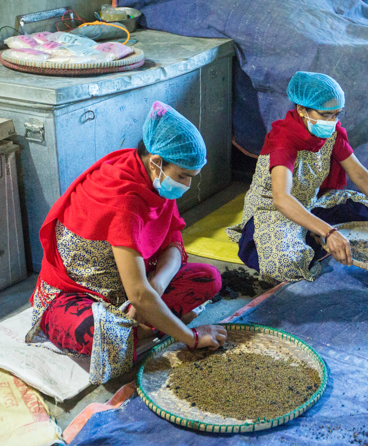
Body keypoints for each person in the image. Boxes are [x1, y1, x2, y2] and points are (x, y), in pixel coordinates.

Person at [27, 101, 227, 384]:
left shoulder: (147, 175)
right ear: (156, 160)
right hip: (80, 292)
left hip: (134, 282)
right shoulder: (125, 201)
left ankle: (144, 326)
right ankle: (147, 328)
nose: (186, 186)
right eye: (183, 176)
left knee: (209, 278)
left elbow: (172, 240)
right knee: (90, 330)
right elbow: (138, 295)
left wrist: (156, 284)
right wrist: (191, 338)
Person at [227, 72, 368, 283]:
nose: (332, 121)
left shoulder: (331, 133)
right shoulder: (284, 138)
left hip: (311, 203)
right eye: (325, 115)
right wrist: (329, 232)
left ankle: (313, 234)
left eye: (337, 114)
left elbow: (360, 174)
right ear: (301, 109)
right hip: (274, 212)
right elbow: (281, 199)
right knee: (285, 264)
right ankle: (315, 237)